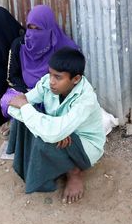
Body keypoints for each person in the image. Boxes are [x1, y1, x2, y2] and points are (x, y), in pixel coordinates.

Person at [6, 47, 105, 204]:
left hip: (85, 145)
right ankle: (47, 156)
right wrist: (54, 127)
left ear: (76, 79)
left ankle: (74, 172)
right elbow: (14, 106)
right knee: (28, 121)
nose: (51, 81)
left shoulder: (86, 99)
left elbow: (24, 105)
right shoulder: (47, 82)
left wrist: (51, 127)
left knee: (43, 138)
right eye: (50, 73)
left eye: (58, 77)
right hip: (61, 131)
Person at [0, 5, 79, 136]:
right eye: (30, 28)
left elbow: (70, 82)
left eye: (39, 29)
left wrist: (44, 93)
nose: (33, 33)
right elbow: (12, 76)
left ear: (49, 28)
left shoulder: (65, 49)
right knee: (7, 100)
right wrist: (25, 93)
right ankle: (22, 127)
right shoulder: (19, 45)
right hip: (26, 91)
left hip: (52, 93)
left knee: (53, 108)